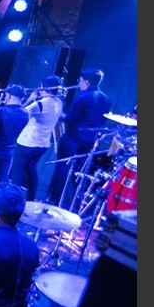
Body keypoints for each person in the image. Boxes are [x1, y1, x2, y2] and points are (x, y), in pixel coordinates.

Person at [46, 68, 112, 208]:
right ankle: (70, 202)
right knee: (78, 172)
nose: (79, 84)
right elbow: (103, 121)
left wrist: (60, 108)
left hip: (72, 138)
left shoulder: (81, 98)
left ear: (86, 82)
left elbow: (69, 119)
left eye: (80, 81)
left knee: (62, 168)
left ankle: (53, 200)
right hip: (89, 141)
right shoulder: (106, 99)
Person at [9, 75, 65, 201]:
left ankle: (13, 199)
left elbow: (18, 113)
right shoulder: (59, 102)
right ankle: (30, 199)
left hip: (28, 143)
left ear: (45, 88)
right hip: (43, 144)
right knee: (31, 169)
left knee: (17, 170)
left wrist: (29, 100)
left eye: (41, 87)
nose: (39, 89)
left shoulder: (39, 104)